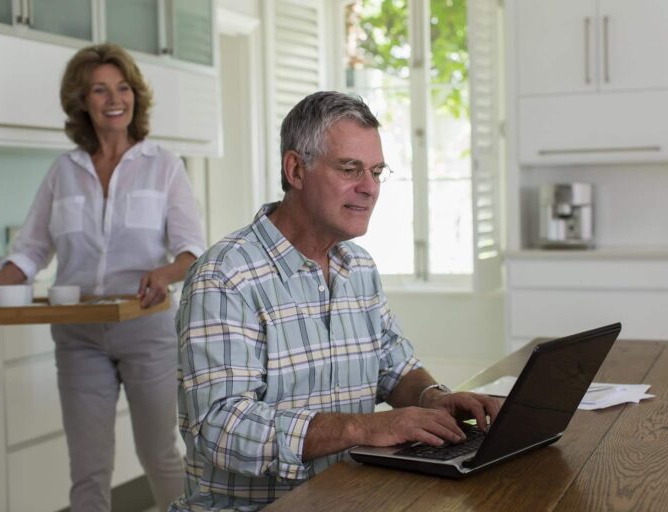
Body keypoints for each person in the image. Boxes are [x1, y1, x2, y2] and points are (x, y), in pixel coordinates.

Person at [171, 91, 500, 511]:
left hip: (349, 498)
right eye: (350, 169)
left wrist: (432, 397)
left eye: (377, 172)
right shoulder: (224, 276)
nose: (369, 188)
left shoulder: (358, 267)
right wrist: (364, 428)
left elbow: (394, 368)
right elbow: (221, 429)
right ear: (296, 169)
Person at [0, 44, 205, 511]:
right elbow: (28, 252)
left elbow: (193, 252)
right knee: (87, 469)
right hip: (79, 332)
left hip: (146, 327)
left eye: (122, 87)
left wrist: (163, 272)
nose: (114, 98)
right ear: (81, 101)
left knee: (160, 454)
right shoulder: (62, 172)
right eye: (99, 89)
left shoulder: (163, 165)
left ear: (135, 97)